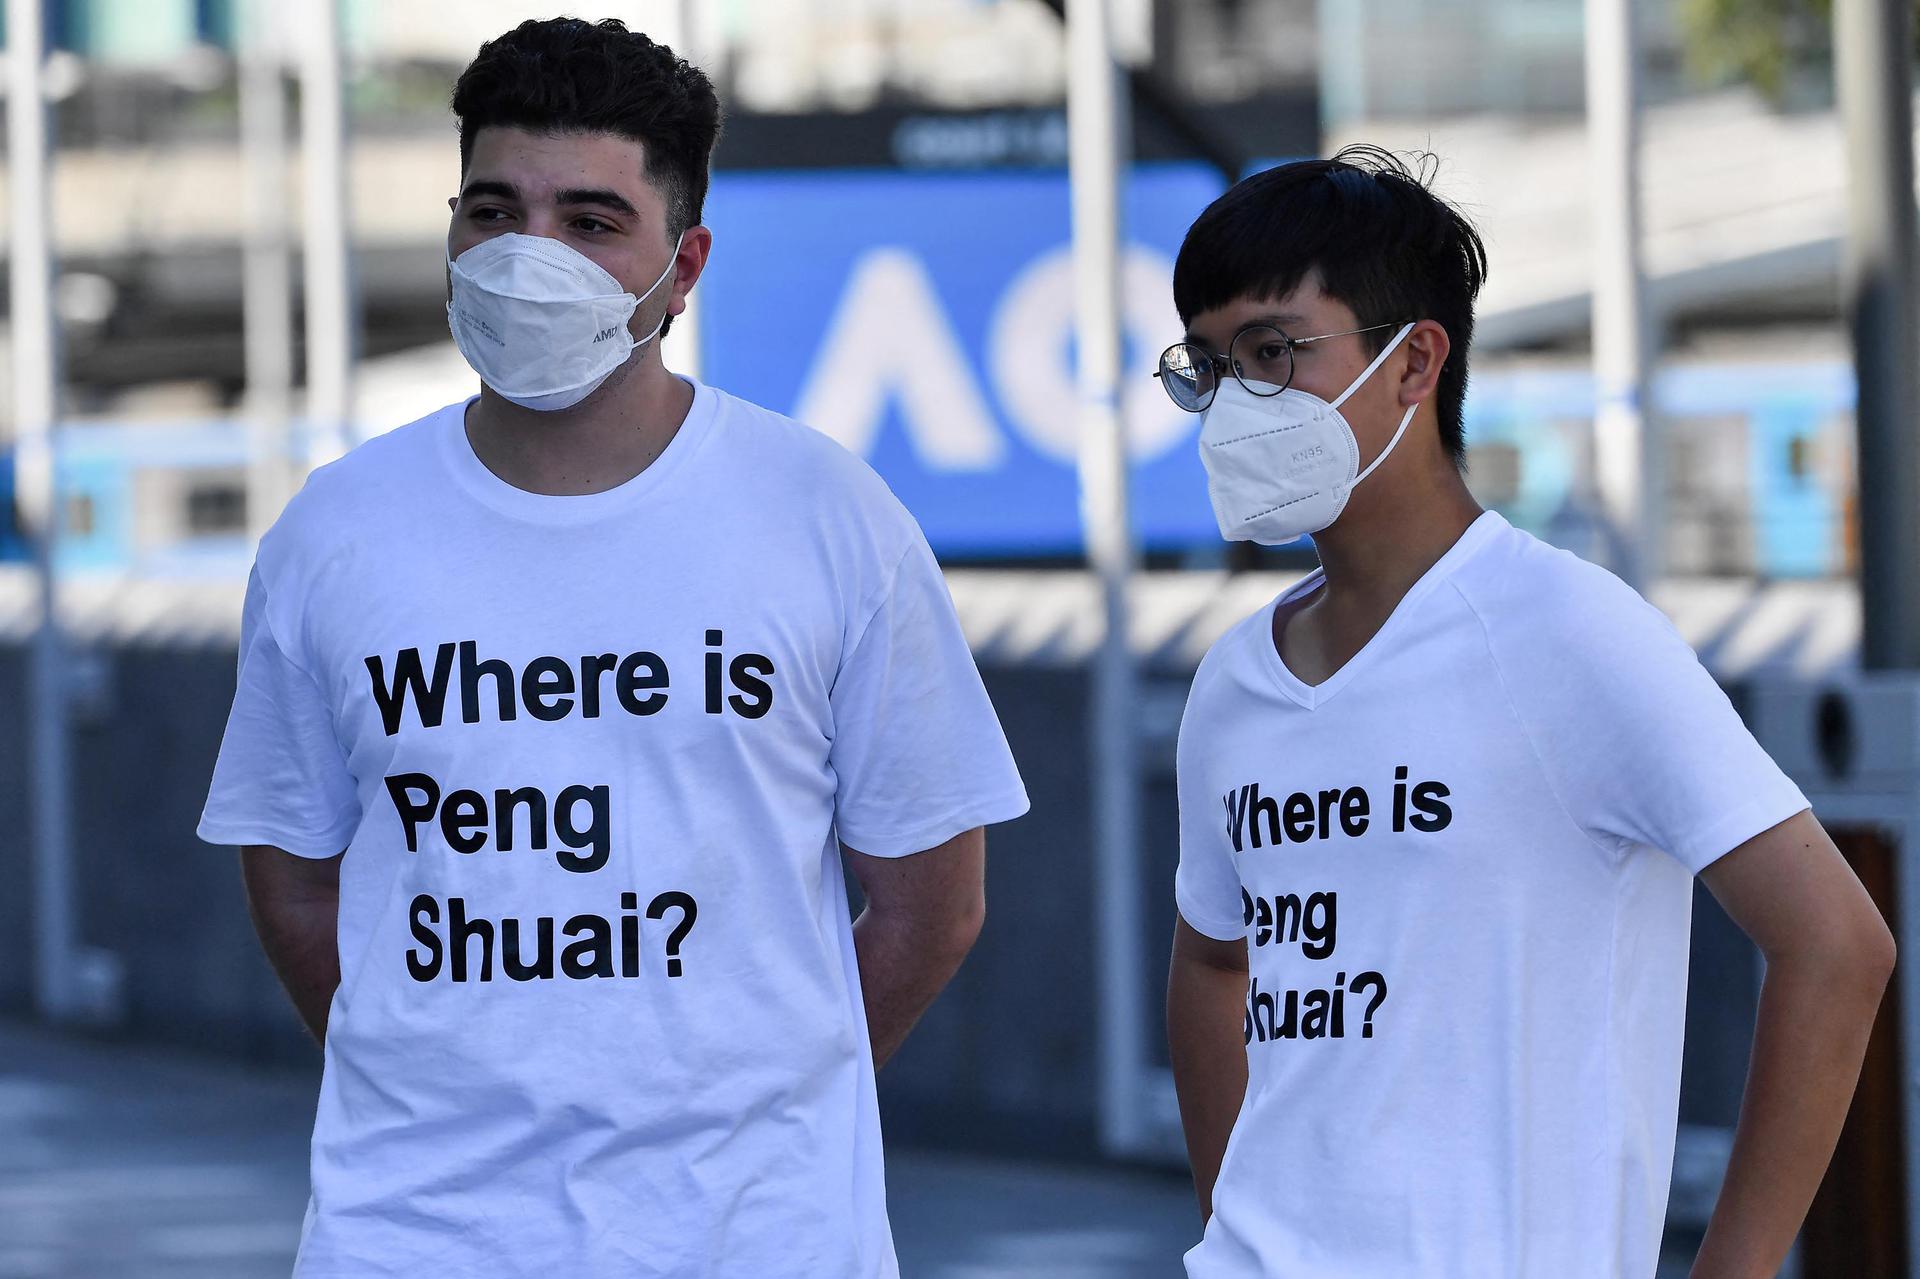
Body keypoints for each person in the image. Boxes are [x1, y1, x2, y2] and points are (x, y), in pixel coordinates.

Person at [197, 18, 1028, 1277]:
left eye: (591, 221)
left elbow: (932, 905)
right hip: (415, 1236)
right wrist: (437, 1075)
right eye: (493, 210)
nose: (531, 256)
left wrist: (752, 1098)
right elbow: (296, 880)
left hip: (757, 1237)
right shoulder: (336, 532)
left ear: (682, 266)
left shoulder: (825, 514)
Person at [1160, 146, 1895, 1279]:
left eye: (1273, 351)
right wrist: (1236, 1231)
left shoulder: (1566, 632)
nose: (1236, 402)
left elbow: (1837, 945)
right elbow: (1213, 965)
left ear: (1414, 364)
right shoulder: (1235, 684)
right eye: (1208, 367)